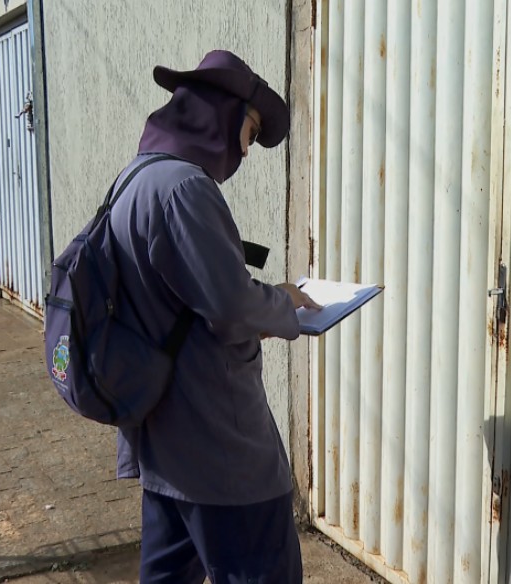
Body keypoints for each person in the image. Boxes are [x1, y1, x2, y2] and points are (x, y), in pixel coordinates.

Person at [108, 50, 319, 583]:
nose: (246, 150)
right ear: (218, 116)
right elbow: (230, 309)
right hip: (218, 448)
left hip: (165, 443)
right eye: (248, 131)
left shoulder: (135, 179)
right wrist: (286, 301)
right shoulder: (185, 189)